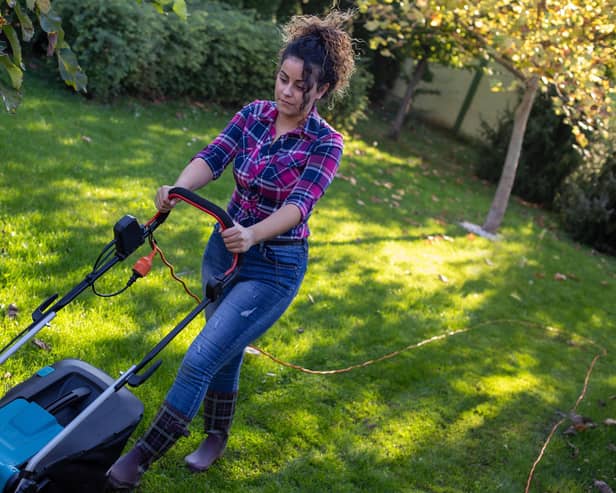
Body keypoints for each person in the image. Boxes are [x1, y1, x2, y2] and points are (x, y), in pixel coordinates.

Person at [106, 9, 356, 490]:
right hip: (223, 251)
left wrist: (257, 233)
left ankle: (139, 459)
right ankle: (217, 434)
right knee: (226, 347)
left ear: (321, 90)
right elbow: (214, 156)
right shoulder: (254, 115)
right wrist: (177, 188)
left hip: (274, 266)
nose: (286, 91)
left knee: (203, 355)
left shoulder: (327, 143)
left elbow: (302, 205)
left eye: (299, 86)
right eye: (282, 78)